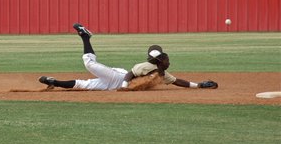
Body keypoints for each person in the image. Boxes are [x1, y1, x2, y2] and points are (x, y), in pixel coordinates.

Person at [39, 23, 218, 91]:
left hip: (113, 85)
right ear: (159, 60)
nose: (168, 60)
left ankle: (55, 82)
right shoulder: (146, 67)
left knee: (84, 85)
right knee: (89, 64)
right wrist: (124, 88)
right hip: (118, 77)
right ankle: (86, 36)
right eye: (165, 58)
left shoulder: (162, 73)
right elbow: (128, 75)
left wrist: (199, 85)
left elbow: (178, 81)